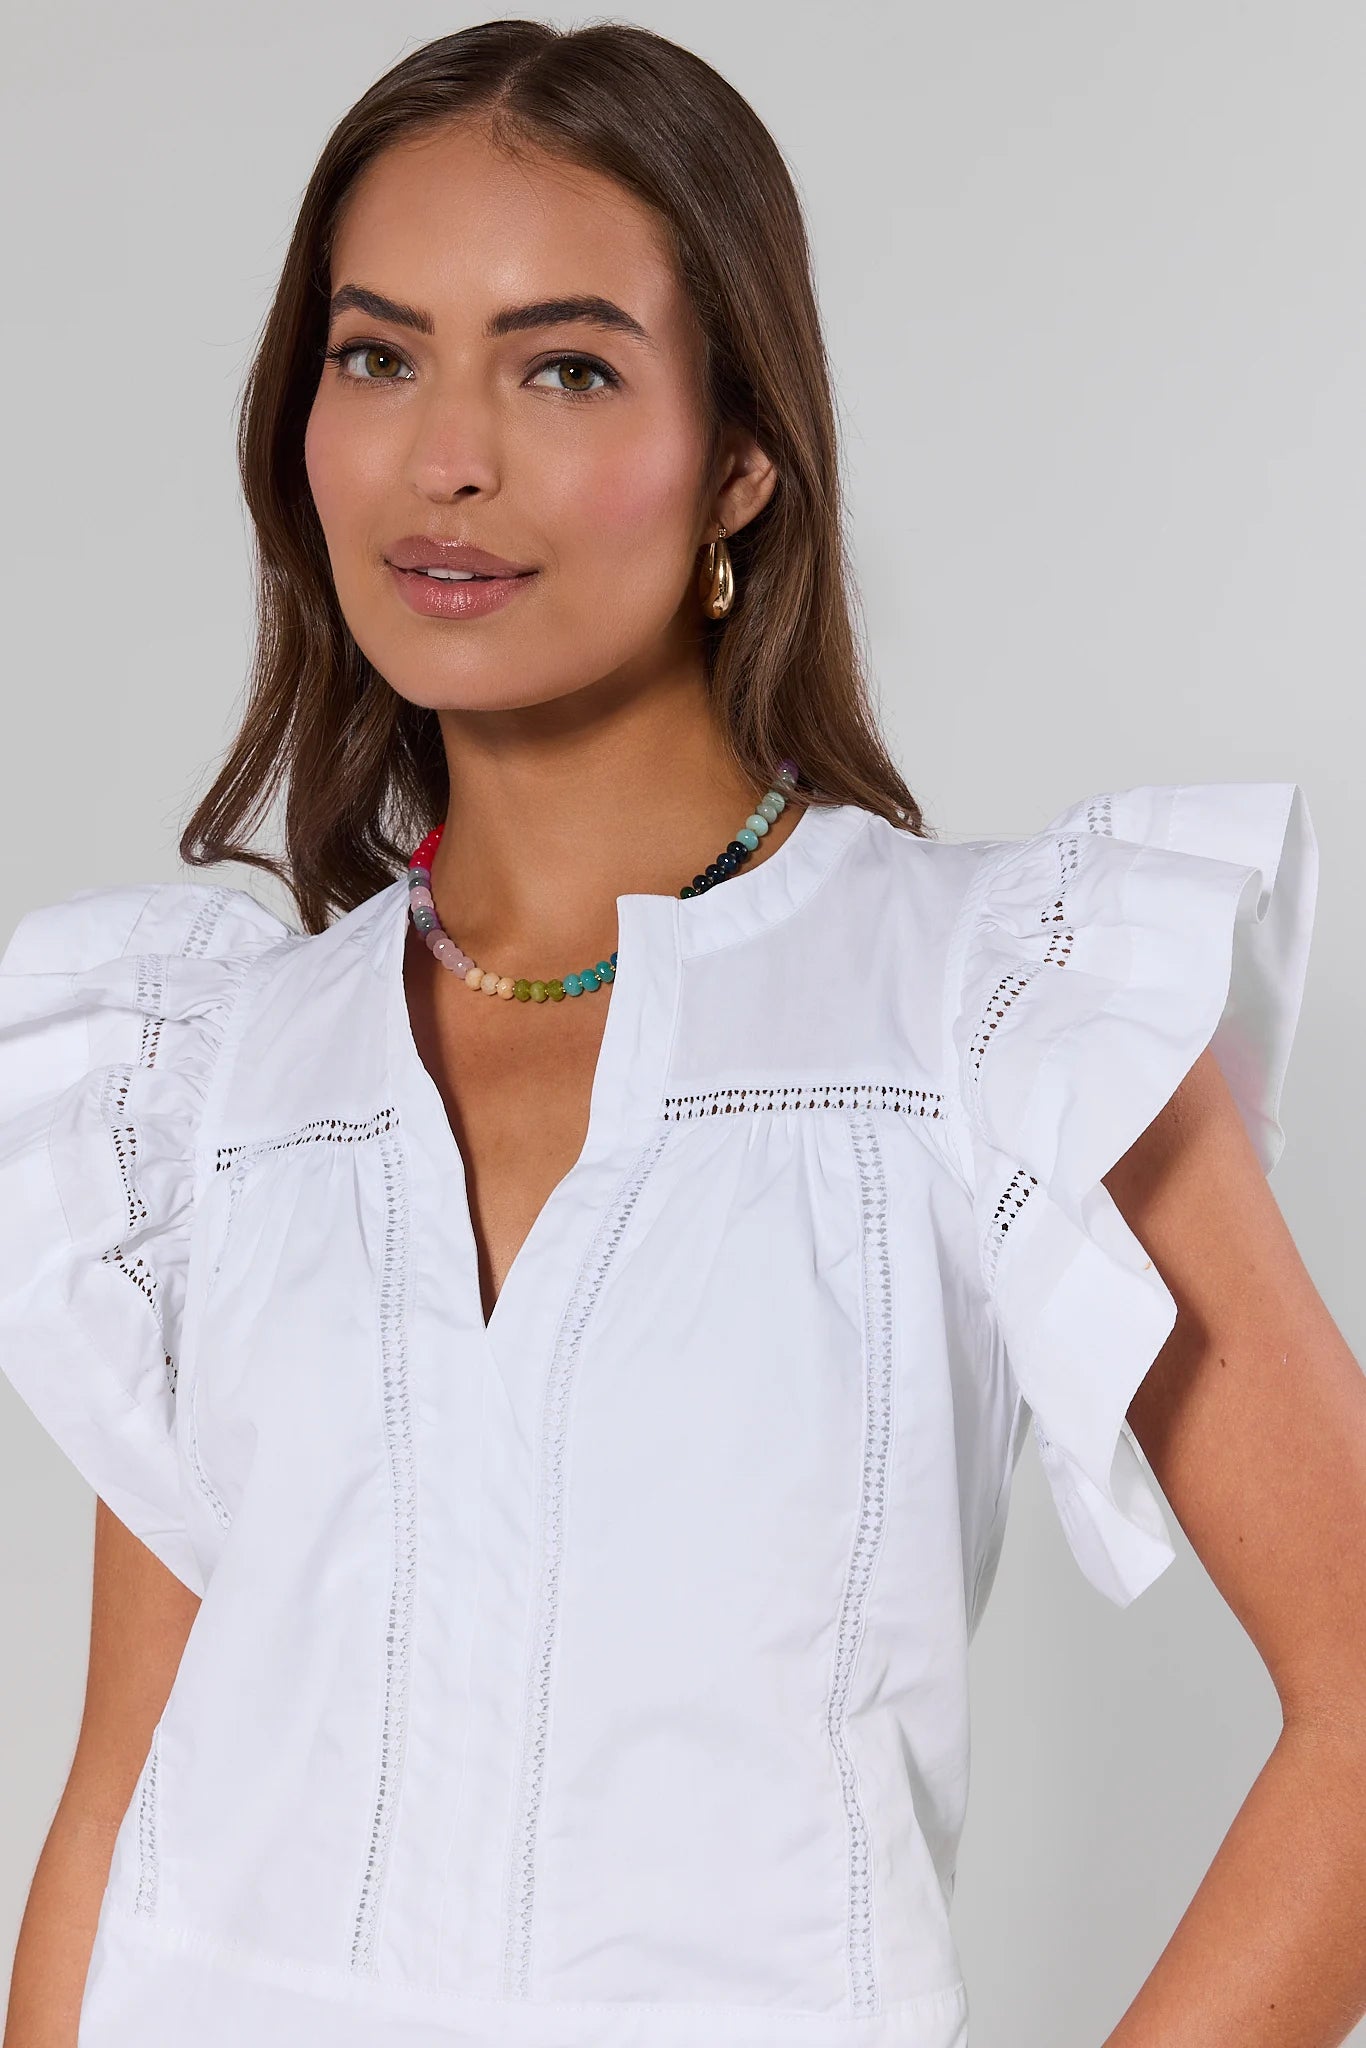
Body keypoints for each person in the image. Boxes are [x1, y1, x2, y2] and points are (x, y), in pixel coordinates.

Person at [2, 20, 1363, 2048]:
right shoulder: (204, 1080)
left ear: (739, 449)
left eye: (562, 366)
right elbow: (122, 1798)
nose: (444, 454)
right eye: (375, 355)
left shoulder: (993, 1004)